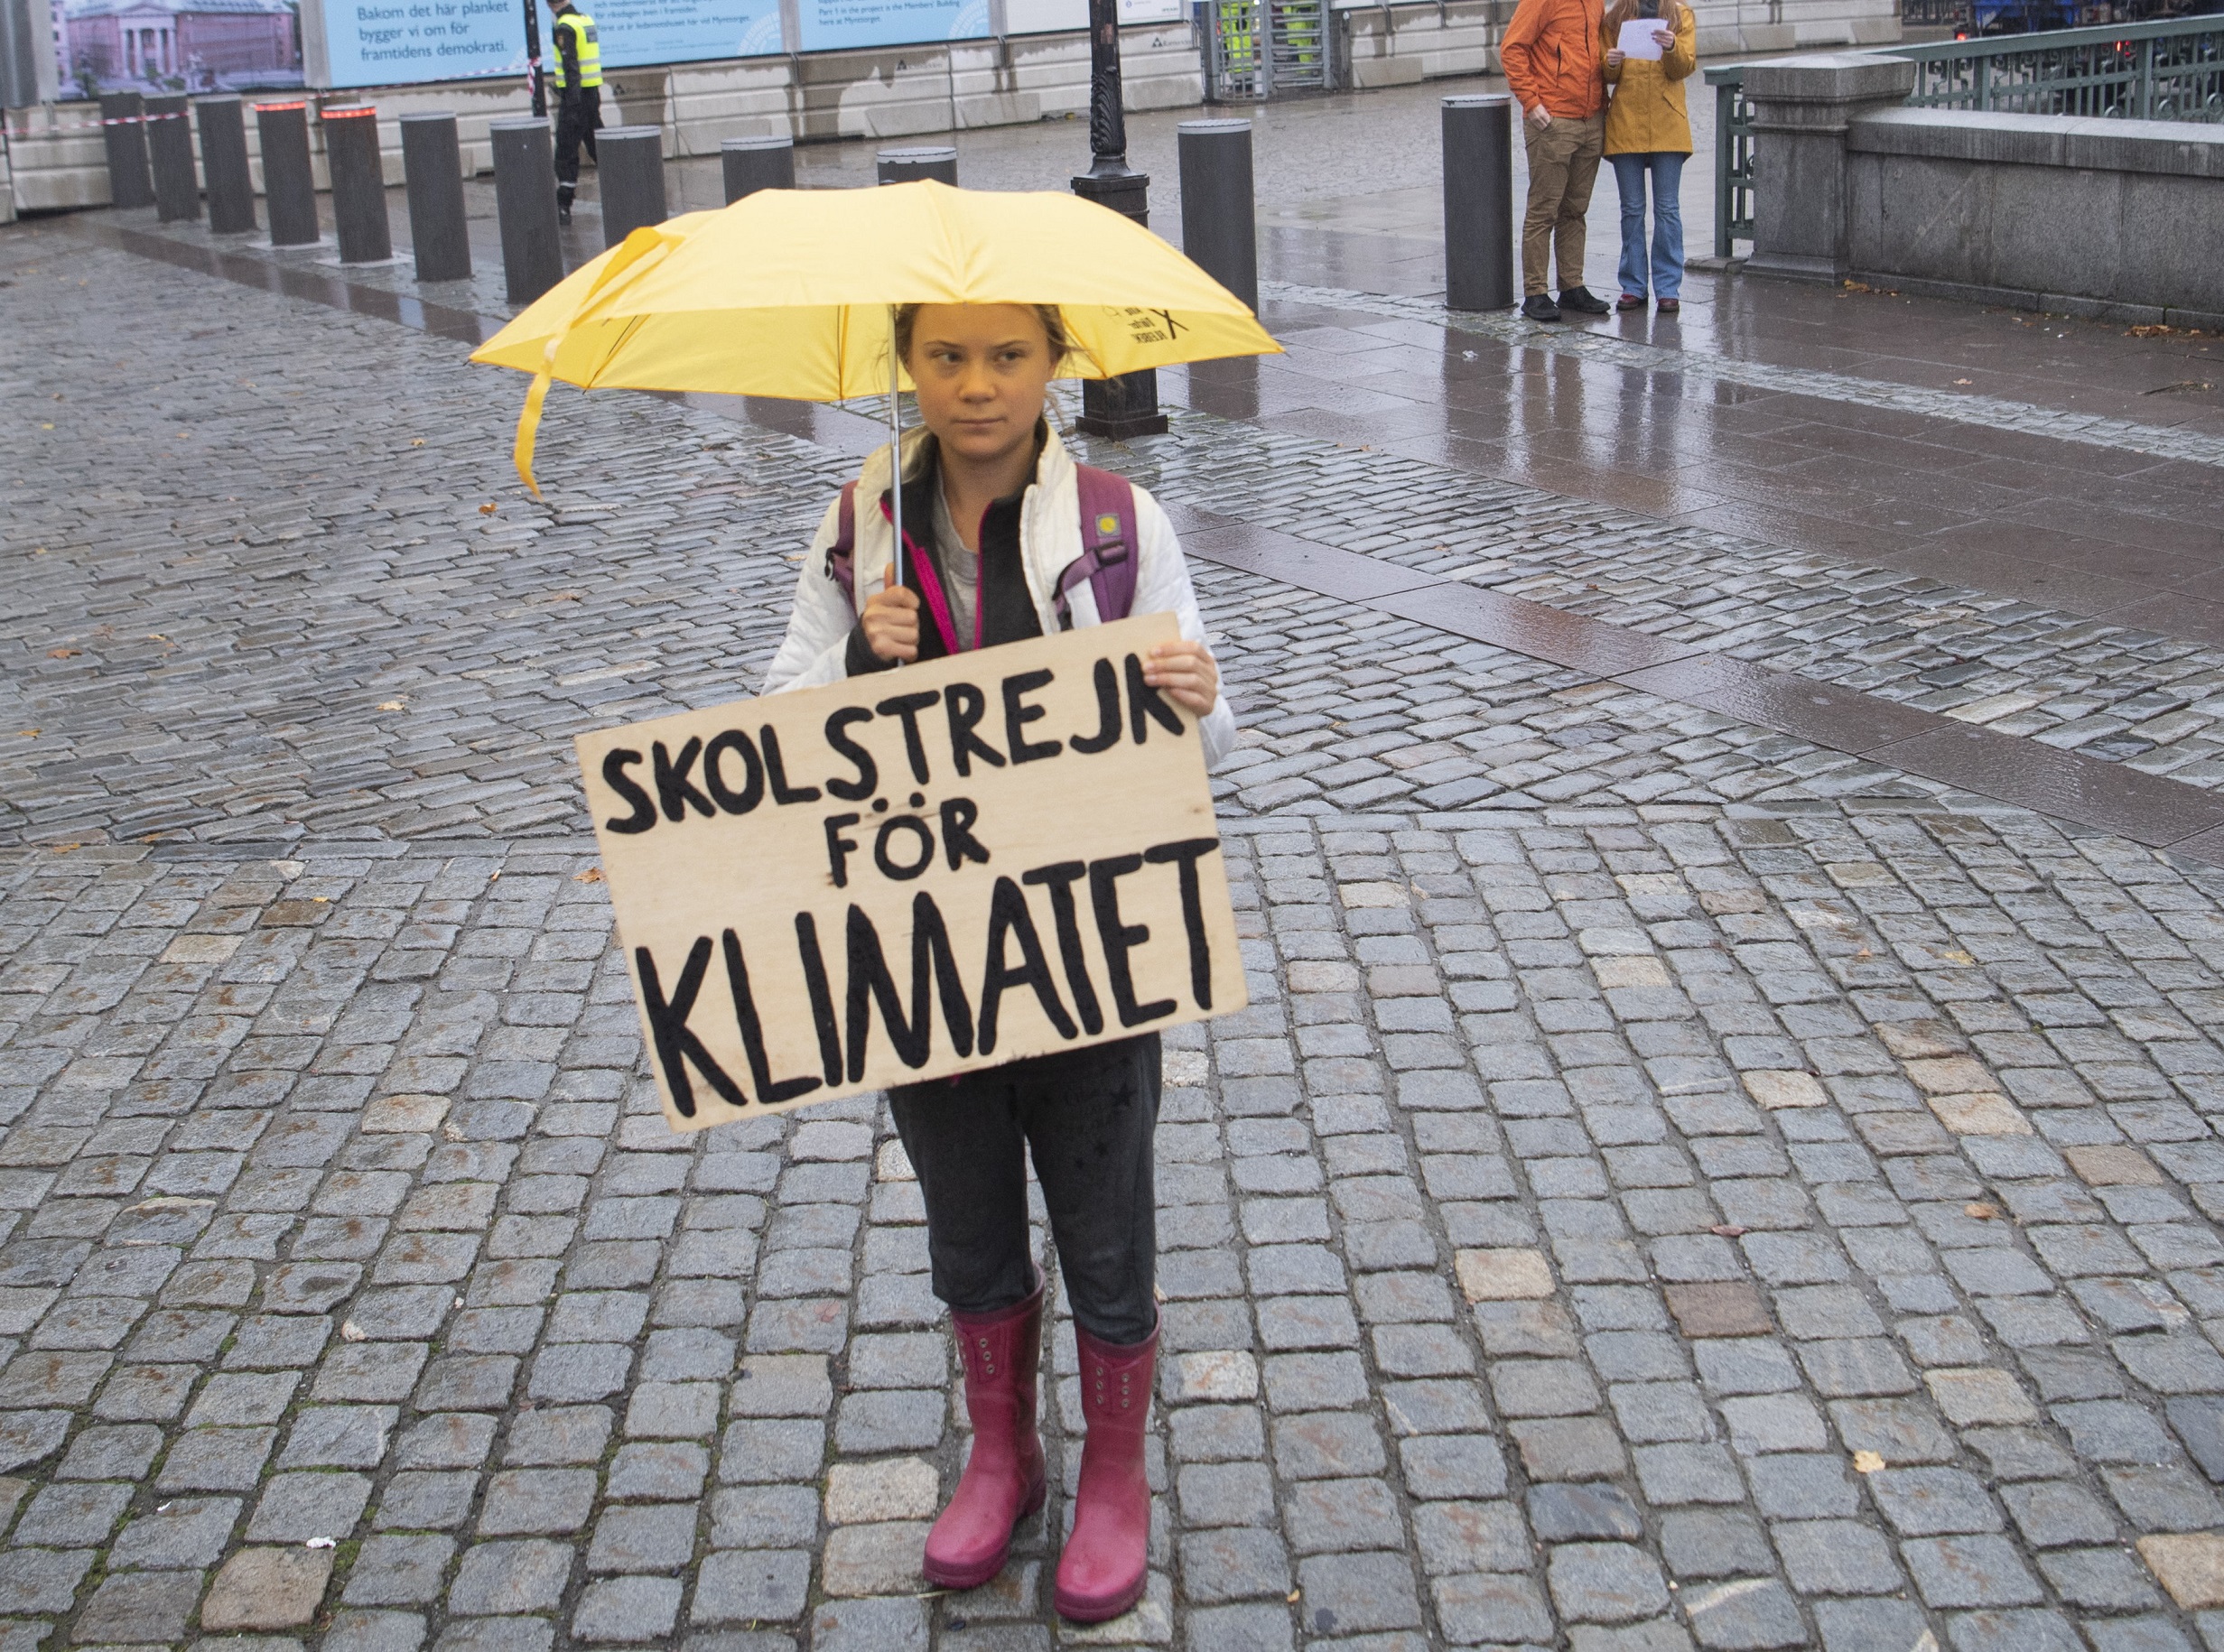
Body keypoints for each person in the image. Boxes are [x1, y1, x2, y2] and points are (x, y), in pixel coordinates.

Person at [763, 303, 1233, 1623]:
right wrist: (860, 655)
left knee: (1101, 1214)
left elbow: (1201, 705)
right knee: (965, 1212)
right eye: (947, 358)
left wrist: (1195, 694)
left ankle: (1115, 1473)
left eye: (1008, 357)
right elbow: (780, 709)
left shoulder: (1115, 522)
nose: (977, 388)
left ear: (1052, 365)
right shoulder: (861, 525)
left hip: (1090, 943)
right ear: (905, 368)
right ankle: (1005, 1451)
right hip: (926, 957)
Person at [1500, 0, 1611, 324]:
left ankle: (1572, 286)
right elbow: (1512, 48)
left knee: (1575, 209)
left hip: (1591, 117)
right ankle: (1535, 292)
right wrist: (1531, 102)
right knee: (1543, 209)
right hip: (1553, 119)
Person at [1603, 0, 1697, 312]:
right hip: (1626, 122)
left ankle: (1668, 287)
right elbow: (1605, 73)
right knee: (1632, 209)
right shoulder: (1615, 16)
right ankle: (1633, 286)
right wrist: (1611, 62)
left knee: (1668, 209)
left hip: (1667, 123)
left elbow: (1685, 68)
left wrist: (1672, 48)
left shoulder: (1680, 13)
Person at [544, 0, 601, 226]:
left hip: (576, 98)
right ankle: (627, 191)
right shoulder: (584, 20)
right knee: (599, 147)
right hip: (592, 94)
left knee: (566, 151)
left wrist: (571, 101)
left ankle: (563, 205)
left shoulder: (564, 27)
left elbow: (571, 66)